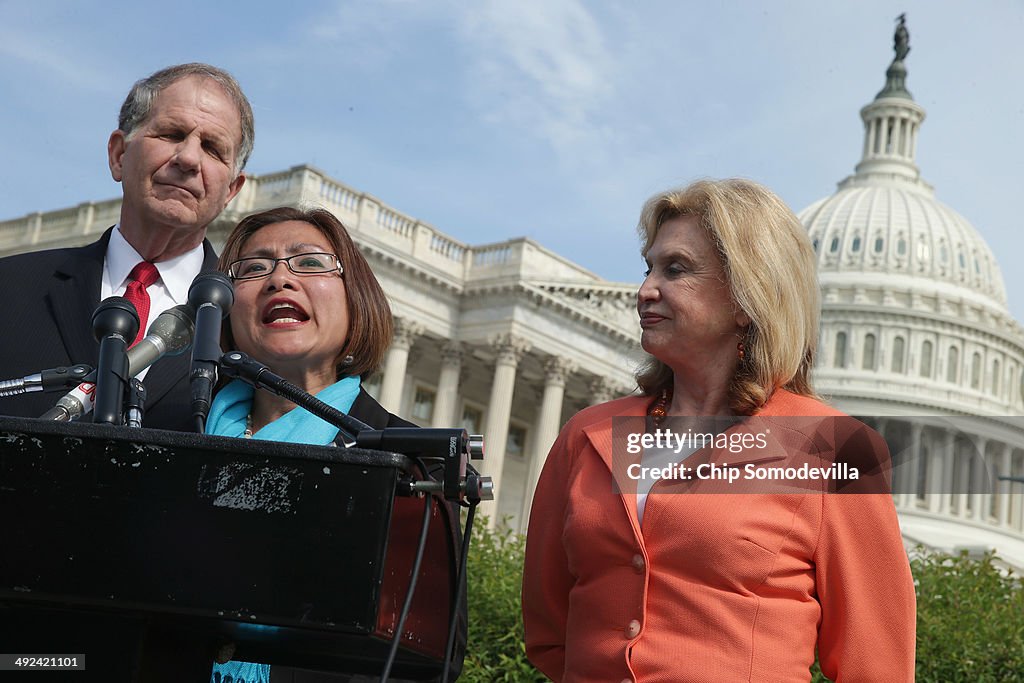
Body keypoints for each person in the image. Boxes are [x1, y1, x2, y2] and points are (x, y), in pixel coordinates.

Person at [521, 179, 916, 682]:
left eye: (676, 269)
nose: (644, 291)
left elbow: (875, 663)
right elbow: (550, 629)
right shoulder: (587, 435)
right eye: (648, 268)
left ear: (746, 294)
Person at [205, 207, 463, 682]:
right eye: (254, 268)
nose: (279, 279)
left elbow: (428, 654)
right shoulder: (175, 433)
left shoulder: (412, 462)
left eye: (308, 262)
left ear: (356, 299)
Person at [0, 62, 253, 431]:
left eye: (213, 149)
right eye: (171, 133)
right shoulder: (11, 286)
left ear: (231, 190)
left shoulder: (248, 326)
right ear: (119, 155)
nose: (188, 159)